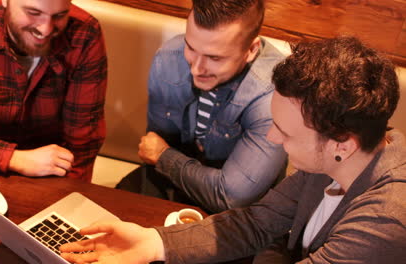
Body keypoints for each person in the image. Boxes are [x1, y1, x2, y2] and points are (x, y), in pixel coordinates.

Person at [60, 36, 406, 263]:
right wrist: (151, 243)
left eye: (285, 132)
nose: (272, 138)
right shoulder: (338, 158)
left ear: (341, 146)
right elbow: (257, 223)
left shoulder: (386, 219)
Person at [116, 0, 287, 213]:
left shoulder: (275, 95)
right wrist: (162, 156)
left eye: (214, 58)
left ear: (251, 50)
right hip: (176, 178)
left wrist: (164, 157)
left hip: (245, 211)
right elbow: (155, 143)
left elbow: (232, 197)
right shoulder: (169, 57)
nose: (196, 68)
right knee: (112, 214)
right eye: (190, 47)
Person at [0, 0, 107, 181]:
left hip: (51, 168)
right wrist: (12, 158)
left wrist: (70, 197)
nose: (46, 29)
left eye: (59, 16)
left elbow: (84, 143)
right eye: (33, 13)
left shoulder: (85, 34)